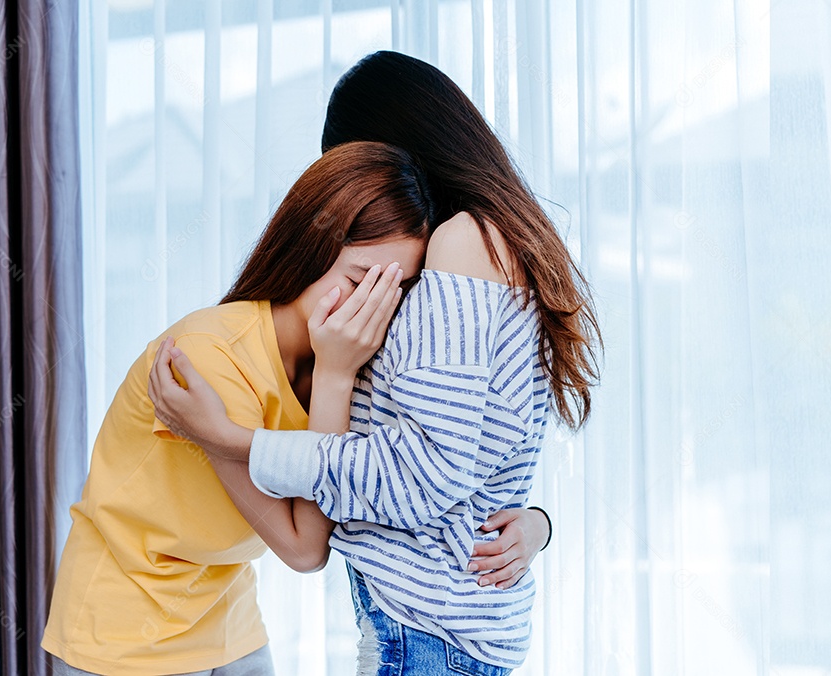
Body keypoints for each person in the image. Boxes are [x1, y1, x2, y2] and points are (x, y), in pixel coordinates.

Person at [147, 51, 599, 675]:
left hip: (424, 635)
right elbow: (478, 450)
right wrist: (538, 523)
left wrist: (230, 440)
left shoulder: (463, 242)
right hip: (446, 632)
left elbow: (426, 474)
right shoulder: (502, 244)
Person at [44, 142, 432, 675]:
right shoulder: (211, 355)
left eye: (394, 291)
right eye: (359, 280)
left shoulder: (350, 364)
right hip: (126, 627)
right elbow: (304, 548)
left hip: (228, 617)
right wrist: (335, 375)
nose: (371, 308)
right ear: (311, 249)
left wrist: (532, 524)